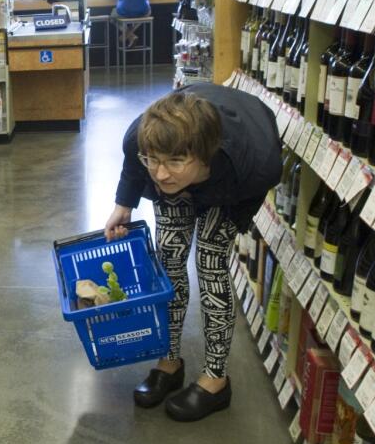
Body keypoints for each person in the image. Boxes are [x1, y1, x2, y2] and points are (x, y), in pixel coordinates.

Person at [103, 86, 281, 422]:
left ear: (204, 155)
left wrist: (223, 220)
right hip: (192, 162)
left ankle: (216, 380)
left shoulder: (253, 165)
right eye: (153, 160)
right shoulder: (140, 141)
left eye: (174, 162)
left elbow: (254, 188)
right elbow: (138, 163)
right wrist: (123, 204)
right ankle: (169, 363)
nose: (160, 172)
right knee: (168, 259)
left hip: (229, 185)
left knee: (210, 263)